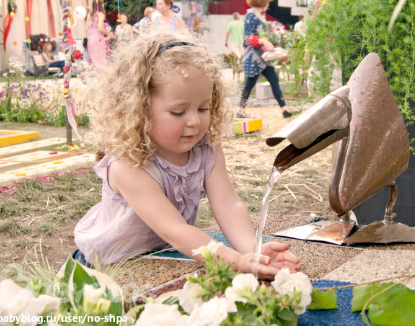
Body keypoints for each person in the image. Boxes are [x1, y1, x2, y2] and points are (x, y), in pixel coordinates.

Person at [74, 30, 300, 279]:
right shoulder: (128, 163)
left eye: (203, 108)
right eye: (178, 112)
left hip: (166, 254)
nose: (194, 121)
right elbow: (174, 229)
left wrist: (253, 251)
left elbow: (228, 204)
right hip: (109, 264)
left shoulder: (205, 147)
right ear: (139, 108)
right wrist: (237, 262)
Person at [239, 0, 292, 119]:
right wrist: (264, 41)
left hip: (263, 57)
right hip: (254, 57)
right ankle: (240, 110)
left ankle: (284, 109)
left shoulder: (258, 15)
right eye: (267, 1)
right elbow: (248, 37)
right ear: (262, 1)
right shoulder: (251, 15)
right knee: (250, 84)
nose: (268, 4)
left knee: (274, 81)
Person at [86, 0, 115, 75]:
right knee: (101, 60)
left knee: (94, 60)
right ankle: (102, 78)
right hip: (98, 39)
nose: (103, 5)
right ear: (99, 5)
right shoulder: (100, 14)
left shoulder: (89, 14)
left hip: (90, 40)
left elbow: (86, 29)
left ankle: (95, 76)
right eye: (102, 3)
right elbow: (100, 28)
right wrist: (107, 32)